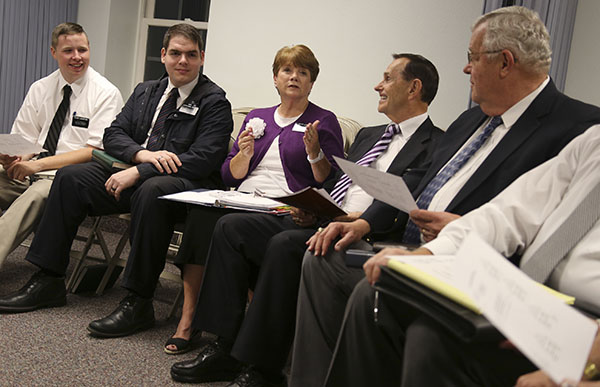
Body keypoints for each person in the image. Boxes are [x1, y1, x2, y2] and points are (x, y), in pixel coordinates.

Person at [289, 6, 600, 387]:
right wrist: (419, 251)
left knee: (410, 321)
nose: (465, 69)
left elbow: (527, 232)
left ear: (505, 63)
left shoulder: (574, 122)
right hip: (469, 268)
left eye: (472, 57)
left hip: (537, 295)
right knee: (325, 258)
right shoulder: (484, 122)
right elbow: (509, 212)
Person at [169, 53, 443, 387]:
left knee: (283, 245)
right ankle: (224, 347)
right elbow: (336, 184)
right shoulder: (371, 134)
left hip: (365, 232)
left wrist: (354, 218)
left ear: (414, 88)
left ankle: (262, 369)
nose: (378, 86)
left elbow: (405, 202)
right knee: (230, 228)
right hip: (324, 217)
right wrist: (315, 206)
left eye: (387, 78)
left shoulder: (436, 144)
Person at [0, 23, 233, 340]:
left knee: (150, 192)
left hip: (182, 184)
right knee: (70, 179)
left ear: (201, 58)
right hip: (133, 171)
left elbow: (203, 158)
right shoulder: (147, 91)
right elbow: (114, 135)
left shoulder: (214, 102)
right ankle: (49, 279)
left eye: (191, 55)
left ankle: (139, 301)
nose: (183, 61)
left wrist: (139, 171)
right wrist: (139, 156)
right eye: (175, 53)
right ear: (163, 55)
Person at [355, 123, 600, 387]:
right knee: (380, 291)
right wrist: (427, 254)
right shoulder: (592, 142)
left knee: (433, 340)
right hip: (535, 304)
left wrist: (588, 365)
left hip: (586, 326)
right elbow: (509, 212)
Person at [165, 43, 345, 354]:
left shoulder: (323, 120)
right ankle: (189, 318)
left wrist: (315, 154)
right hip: (245, 199)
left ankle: (225, 338)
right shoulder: (258, 117)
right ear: (275, 78)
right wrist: (244, 154)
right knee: (200, 218)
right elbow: (230, 176)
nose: (294, 77)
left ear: (311, 82)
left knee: (230, 227)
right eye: (287, 70)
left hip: (287, 208)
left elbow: (330, 180)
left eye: (303, 72)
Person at [0, 22, 123, 267]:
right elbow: (25, 138)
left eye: (82, 50)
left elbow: (95, 152)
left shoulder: (106, 93)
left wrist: (36, 166)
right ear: (54, 52)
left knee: (36, 196)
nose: (77, 57)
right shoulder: (41, 87)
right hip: (32, 168)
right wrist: (13, 158)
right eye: (68, 51)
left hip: (67, 179)